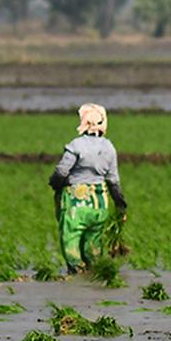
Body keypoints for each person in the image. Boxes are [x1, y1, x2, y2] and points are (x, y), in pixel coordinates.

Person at [48, 103, 128, 273]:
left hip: (76, 203)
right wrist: (121, 205)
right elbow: (113, 180)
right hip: (99, 203)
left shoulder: (76, 146)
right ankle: (94, 274)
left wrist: (55, 184)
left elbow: (61, 171)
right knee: (94, 242)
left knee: (71, 238)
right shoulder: (109, 148)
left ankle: (76, 275)